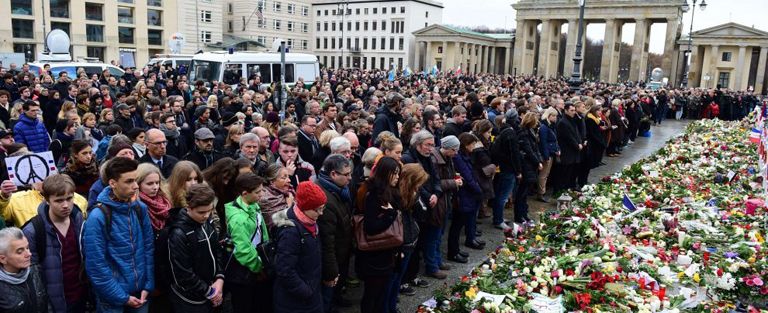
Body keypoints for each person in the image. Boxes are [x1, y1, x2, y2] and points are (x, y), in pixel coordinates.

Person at [84, 157, 155, 313]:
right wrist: (122, 297)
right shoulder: (98, 216)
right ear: (112, 183)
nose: (136, 186)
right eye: (129, 181)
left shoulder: (139, 209)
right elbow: (96, 265)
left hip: (140, 294)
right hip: (112, 300)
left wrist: (148, 284)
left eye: (136, 180)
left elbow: (148, 248)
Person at [22, 175, 87, 313]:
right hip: (52, 303)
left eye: (69, 199)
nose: (65, 205)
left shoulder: (78, 219)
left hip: (80, 296)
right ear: (47, 200)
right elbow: (31, 275)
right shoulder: (33, 230)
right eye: (58, 200)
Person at [167, 184, 225, 312]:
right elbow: (183, 273)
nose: (206, 215)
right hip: (190, 300)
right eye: (201, 212)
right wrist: (209, 292)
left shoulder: (207, 221)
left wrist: (220, 279)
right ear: (188, 208)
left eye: (209, 210)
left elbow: (217, 251)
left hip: (213, 289)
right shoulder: (179, 233)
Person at [272, 181, 327, 313]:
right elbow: (285, 270)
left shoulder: (310, 222)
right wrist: (306, 291)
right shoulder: (290, 232)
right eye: (317, 209)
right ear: (304, 207)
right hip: (296, 301)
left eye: (323, 208)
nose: (321, 213)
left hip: (311, 294)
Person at [356, 157, 400, 313]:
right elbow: (371, 227)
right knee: (372, 295)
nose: (397, 177)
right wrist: (390, 215)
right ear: (385, 173)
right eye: (394, 173)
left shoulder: (387, 191)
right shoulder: (373, 194)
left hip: (385, 253)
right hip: (374, 256)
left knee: (380, 293)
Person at [224, 173, 272, 313]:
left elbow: (263, 233)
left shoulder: (253, 205)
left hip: (256, 264)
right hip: (245, 271)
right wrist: (259, 268)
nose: (262, 194)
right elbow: (243, 249)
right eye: (258, 192)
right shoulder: (238, 219)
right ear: (245, 193)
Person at [386, 163, 427, 313]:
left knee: (397, 278)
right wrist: (416, 199)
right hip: (403, 241)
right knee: (393, 279)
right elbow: (421, 213)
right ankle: (389, 307)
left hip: (408, 238)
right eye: (419, 183)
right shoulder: (398, 195)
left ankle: (392, 306)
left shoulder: (409, 193)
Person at [315, 155, 354, 312]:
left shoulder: (339, 189)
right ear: (333, 174)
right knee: (328, 289)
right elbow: (327, 241)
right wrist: (331, 272)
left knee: (337, 286)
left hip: (342, 249)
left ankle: (336, 300)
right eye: (346, 175)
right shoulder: (327, 200)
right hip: (334, 253)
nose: (350, 178)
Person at [0, 227, 50, 313]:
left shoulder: (35, 270)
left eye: (27, 248)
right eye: (20, 251)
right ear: (3, 259)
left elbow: (47, 303)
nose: (29, 254)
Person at [490, 109, 523, 230]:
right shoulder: (510, 133)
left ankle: (498, 217)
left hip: (503, 167)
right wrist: (518, 171)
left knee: (500, 194)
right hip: (508, 169)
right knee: (502, 196)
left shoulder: (504, 131)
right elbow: (513, 154)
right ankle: (498, 220)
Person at [515, 113, 543, 225]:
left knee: (525, 192)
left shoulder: (530, 132)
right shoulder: (524, 134)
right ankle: (519, 215)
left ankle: (524, 214)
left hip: (531, 165)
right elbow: (529, 150)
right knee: (522, 192)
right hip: (526, 165)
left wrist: (538, 160)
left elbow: (535, 149)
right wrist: (537, 161)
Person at [554, 103, 582, 194]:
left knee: (572, 172)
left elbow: (577, 133)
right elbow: (568, 136)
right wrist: (577, 145)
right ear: (566, 110)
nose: (574, 112)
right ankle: (562, 190)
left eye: (574, 110)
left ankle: (570, 187)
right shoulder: (563, 122)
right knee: (565, 173)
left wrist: (580, 142)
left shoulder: (573, 119)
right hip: (567, 151)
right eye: (571, 110)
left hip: (574, 151)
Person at [259, 164, 295, 229]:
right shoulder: (265, 198)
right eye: (284, 178)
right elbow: (275, 222)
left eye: (288, 177)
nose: (289, 180)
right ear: (272, 182)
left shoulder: (289, 191)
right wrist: (289, 205)